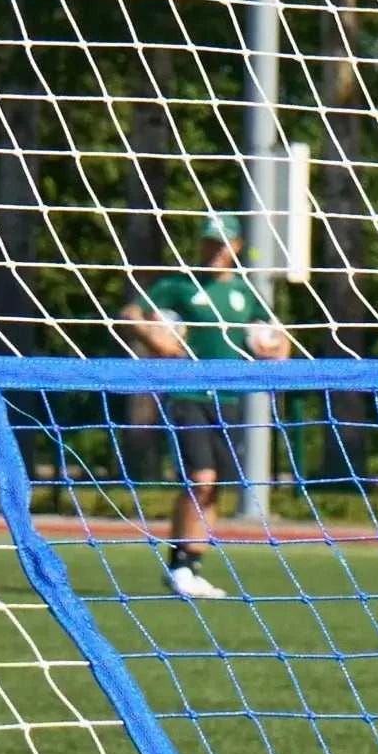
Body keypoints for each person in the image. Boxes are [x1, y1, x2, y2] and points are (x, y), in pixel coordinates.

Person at [110, 207, 290, 600]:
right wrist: (154, 339)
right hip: (187, 393)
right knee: (200, 479)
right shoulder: (179, 285)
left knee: (214, 486)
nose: (214, 250)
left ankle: (188, 563)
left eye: (222, 244)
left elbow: (279, 336)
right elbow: (130, 313)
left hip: (228, 398)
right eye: (209, 242)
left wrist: (276, 350)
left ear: (236, 247)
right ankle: (180, 566)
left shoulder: (244, 293)